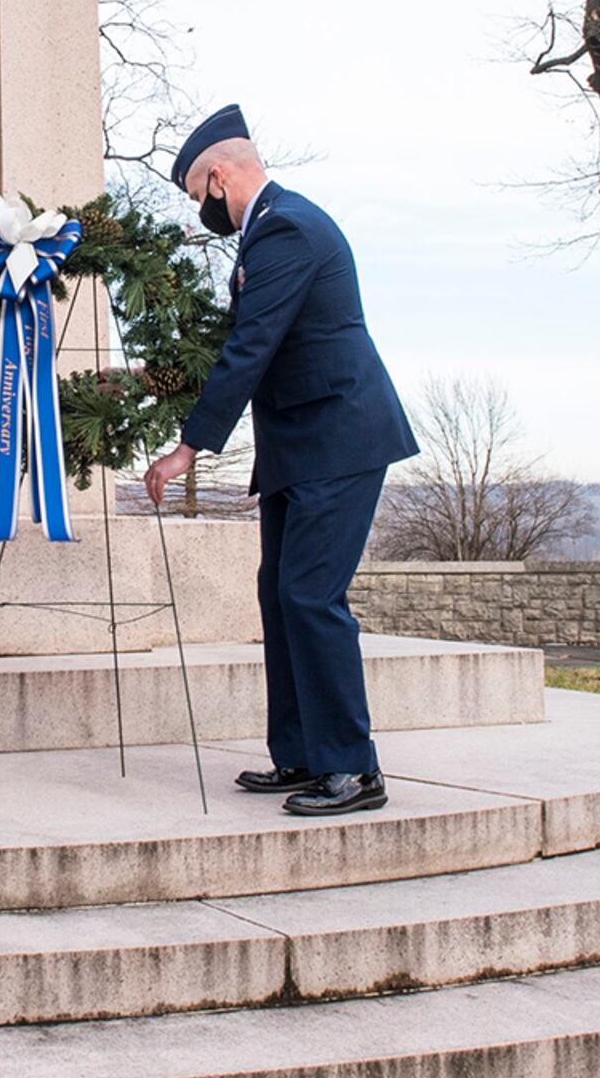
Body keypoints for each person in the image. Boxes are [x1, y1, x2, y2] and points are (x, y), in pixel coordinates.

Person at [144, 106, 418, 818]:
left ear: (218, 175)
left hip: (340, 440)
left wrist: (188, 448)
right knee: (280, 593)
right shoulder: (270, 229)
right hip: (302, 445)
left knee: (310, 596)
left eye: (199, 195)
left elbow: (251, 343)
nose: (205, 210)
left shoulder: (286, 227)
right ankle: (301, 754)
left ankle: (354, 769)